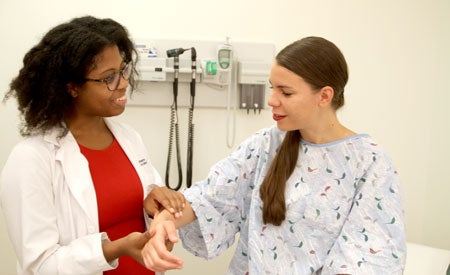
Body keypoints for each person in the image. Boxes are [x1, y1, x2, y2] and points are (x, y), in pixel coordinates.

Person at [141, 36, 407, 274]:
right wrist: (165, 221)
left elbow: (368, 255)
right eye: (272, 87)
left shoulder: (369, 163)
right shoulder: (266, 144)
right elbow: (210, 197)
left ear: (324, 96)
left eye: (286, 92)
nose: (272, 100)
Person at [0, 16, 185, 275]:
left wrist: (158, 201)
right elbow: (40, 264)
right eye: (109, 78)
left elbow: (145, 207)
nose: (123, 83)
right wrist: (116, 248)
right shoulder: (32, 159)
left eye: (123, 70)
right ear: (72, 87)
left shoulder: (129, 138)